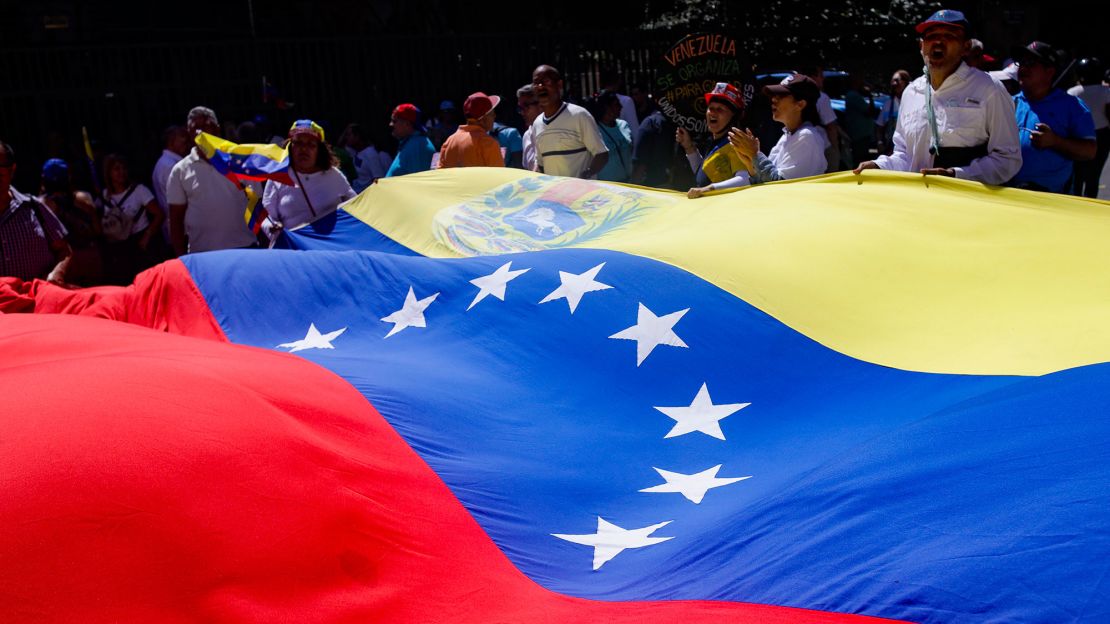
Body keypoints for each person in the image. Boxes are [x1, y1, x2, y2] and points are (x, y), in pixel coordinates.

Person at [854, 9, 1022, 186]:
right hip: (920, 204)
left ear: (965, 47)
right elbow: (904, 154)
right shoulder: (911, 93)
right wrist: (880, 166)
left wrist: (957, 175)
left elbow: (1008, 159)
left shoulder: (989, 89)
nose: (938, 42)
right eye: (931, 36)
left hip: (968, 205)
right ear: (921, 46)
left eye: (949, 35)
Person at [166, 106, 260, 255]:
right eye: (195, 128)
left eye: (205, 126)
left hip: (244, 250)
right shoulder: (180, 171)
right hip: (202, 255)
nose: (200, 132)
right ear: (189, 133)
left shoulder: (241, 161)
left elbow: (258, 206)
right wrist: (182, 260)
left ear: (217, 129)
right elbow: (176, 221)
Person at [1009, 42, 1096, 193]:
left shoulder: (1072, 106)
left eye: (1030, 63)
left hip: (1052, 198)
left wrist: (1055, 141)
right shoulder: (1009, 103)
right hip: (1010, 195)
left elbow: (1089, 151)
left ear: (1049, 71)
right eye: (1021, 62)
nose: (1023, 68)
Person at [728, 74, 828, 184]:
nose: (773, 99)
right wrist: (750, 163)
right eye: (774, 95)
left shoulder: (807, 136)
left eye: (781, 95)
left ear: (800, 104)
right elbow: (766, 182)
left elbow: (780, 184)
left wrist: (755, 154)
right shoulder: (787, 136)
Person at [263, 120, 355, 231]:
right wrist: (272, 228)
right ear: (289, 147)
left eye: (311, 145)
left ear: (319, 150)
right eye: (298, 143)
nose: (304, 149)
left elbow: (355, 205)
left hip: (330, 246)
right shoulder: (277, 177)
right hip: (292, 246)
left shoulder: (333, 175)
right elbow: (267, 216)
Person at [0, 141, 72, 284]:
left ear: (12, 170)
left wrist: (56, 274)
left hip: (39, 301)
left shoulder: (34, 207)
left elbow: (64, 251)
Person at [529, 65, 609, 179]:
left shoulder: (579, 115)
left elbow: (602, 154)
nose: (541, 86)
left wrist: (587, 175)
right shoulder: (537, 124)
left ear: (559, 85)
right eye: (536, 82)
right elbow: (540, 164)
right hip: (553, 196)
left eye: (546, 81)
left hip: (581, 195)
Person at [99, 153, 166, 283]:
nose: (121, 172)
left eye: (123, 168)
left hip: (139, 244)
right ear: (109, 173)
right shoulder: (104, 195)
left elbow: (159, 214)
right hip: (118, 249)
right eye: (116, 169)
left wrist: (147, 236)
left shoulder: (139, 190)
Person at [676, 82, 750, 198]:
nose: (712, 113)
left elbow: (744, 179)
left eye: (720, 109)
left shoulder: (736, 144)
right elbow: (703, 174)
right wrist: (689, 147)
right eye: (710, 108)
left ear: (734, 116)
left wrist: (708, 189)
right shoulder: (716, 142)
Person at [38, 158, 102, 285]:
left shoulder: (41, 205)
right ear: (69, 177)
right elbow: (98, 231)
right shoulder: (85, 198)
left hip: (64, 262)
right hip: (91, 257)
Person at [1068, 58, 1110, 197]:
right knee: (1094, 175)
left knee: (1078, 174)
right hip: (1101, 135)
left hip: (1078, 135)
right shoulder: (1106, 91)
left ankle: (1076, 201)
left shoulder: (1073, 92)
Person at [437, 92, 506, 169]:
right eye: (492, 114)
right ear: (483, 119)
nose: (494, 116)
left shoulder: (449, 142)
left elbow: (441, 173)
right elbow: (498, 177)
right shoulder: (488, 143)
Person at [798, 63, 844, 171]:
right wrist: (835, 149)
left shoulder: (793, 97)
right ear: (813, 77)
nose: (823, 78)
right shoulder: (822, 98)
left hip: (800, 145)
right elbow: (831, 127)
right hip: (822, 146)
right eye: (821, 75)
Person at [587, 90, 633, 182]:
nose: (621, 107)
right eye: (616, 104)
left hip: (629, 182)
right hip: (607, 186)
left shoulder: (624, 125)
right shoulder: (594, 130)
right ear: (606, 108)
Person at [152, 126, 189, 239]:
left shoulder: (166, 163)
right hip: (182, 229)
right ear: (171, 141)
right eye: (182, 137)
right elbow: (180, 199)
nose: (186, 141)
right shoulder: (170, 166)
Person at [385, 103, 435, 178]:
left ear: (407, 124)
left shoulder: (417, 146)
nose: (390, 124)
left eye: (394, 121)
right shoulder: (412, 142)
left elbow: (417, 183)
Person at [339, 123, 388, 192]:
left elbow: (378, 178)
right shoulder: (354, 151)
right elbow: (340, 144)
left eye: (349, 135)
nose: (346, 138)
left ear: (357, 136)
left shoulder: (370, 153)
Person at [599, 68, 640, 147]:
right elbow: (635, 131)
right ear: (618, 82)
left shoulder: (594, 101)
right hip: (621, 146)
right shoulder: (626, 101)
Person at [876, 70, 911, 156]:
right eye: (893, 81)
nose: (894, 84)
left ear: (905, 82)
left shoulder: (913, 103)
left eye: (897, 80)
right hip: (891, 150)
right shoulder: (888, 105)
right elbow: (879, 126)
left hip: (910, 149)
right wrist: (880, 142)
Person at [517, 84, 542, 171]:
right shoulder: (526, 136)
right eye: (520, 108)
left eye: (526, 106)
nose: (522, 112)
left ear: (540, 104)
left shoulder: (554, 130)